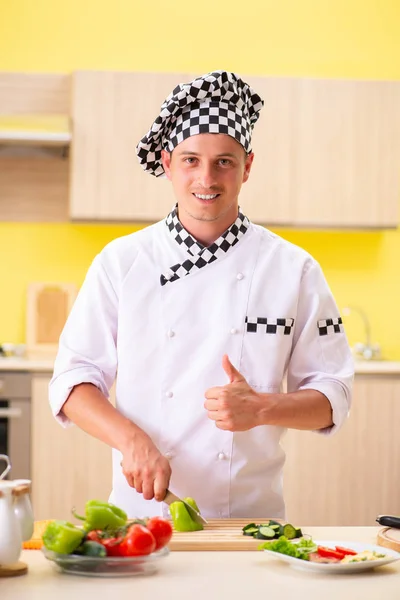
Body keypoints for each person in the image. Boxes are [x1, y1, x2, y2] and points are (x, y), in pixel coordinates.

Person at [49, 70, 354, 520]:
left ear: (248, 166)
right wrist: (130, 439)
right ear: (168, 162)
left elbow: (333, 394)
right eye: (191, 159)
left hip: (249, 520)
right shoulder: (122, 262)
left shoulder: (294, 270)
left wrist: (265, 407)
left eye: (224, 162)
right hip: (141, 517)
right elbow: (73, 381)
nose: (206, 178)